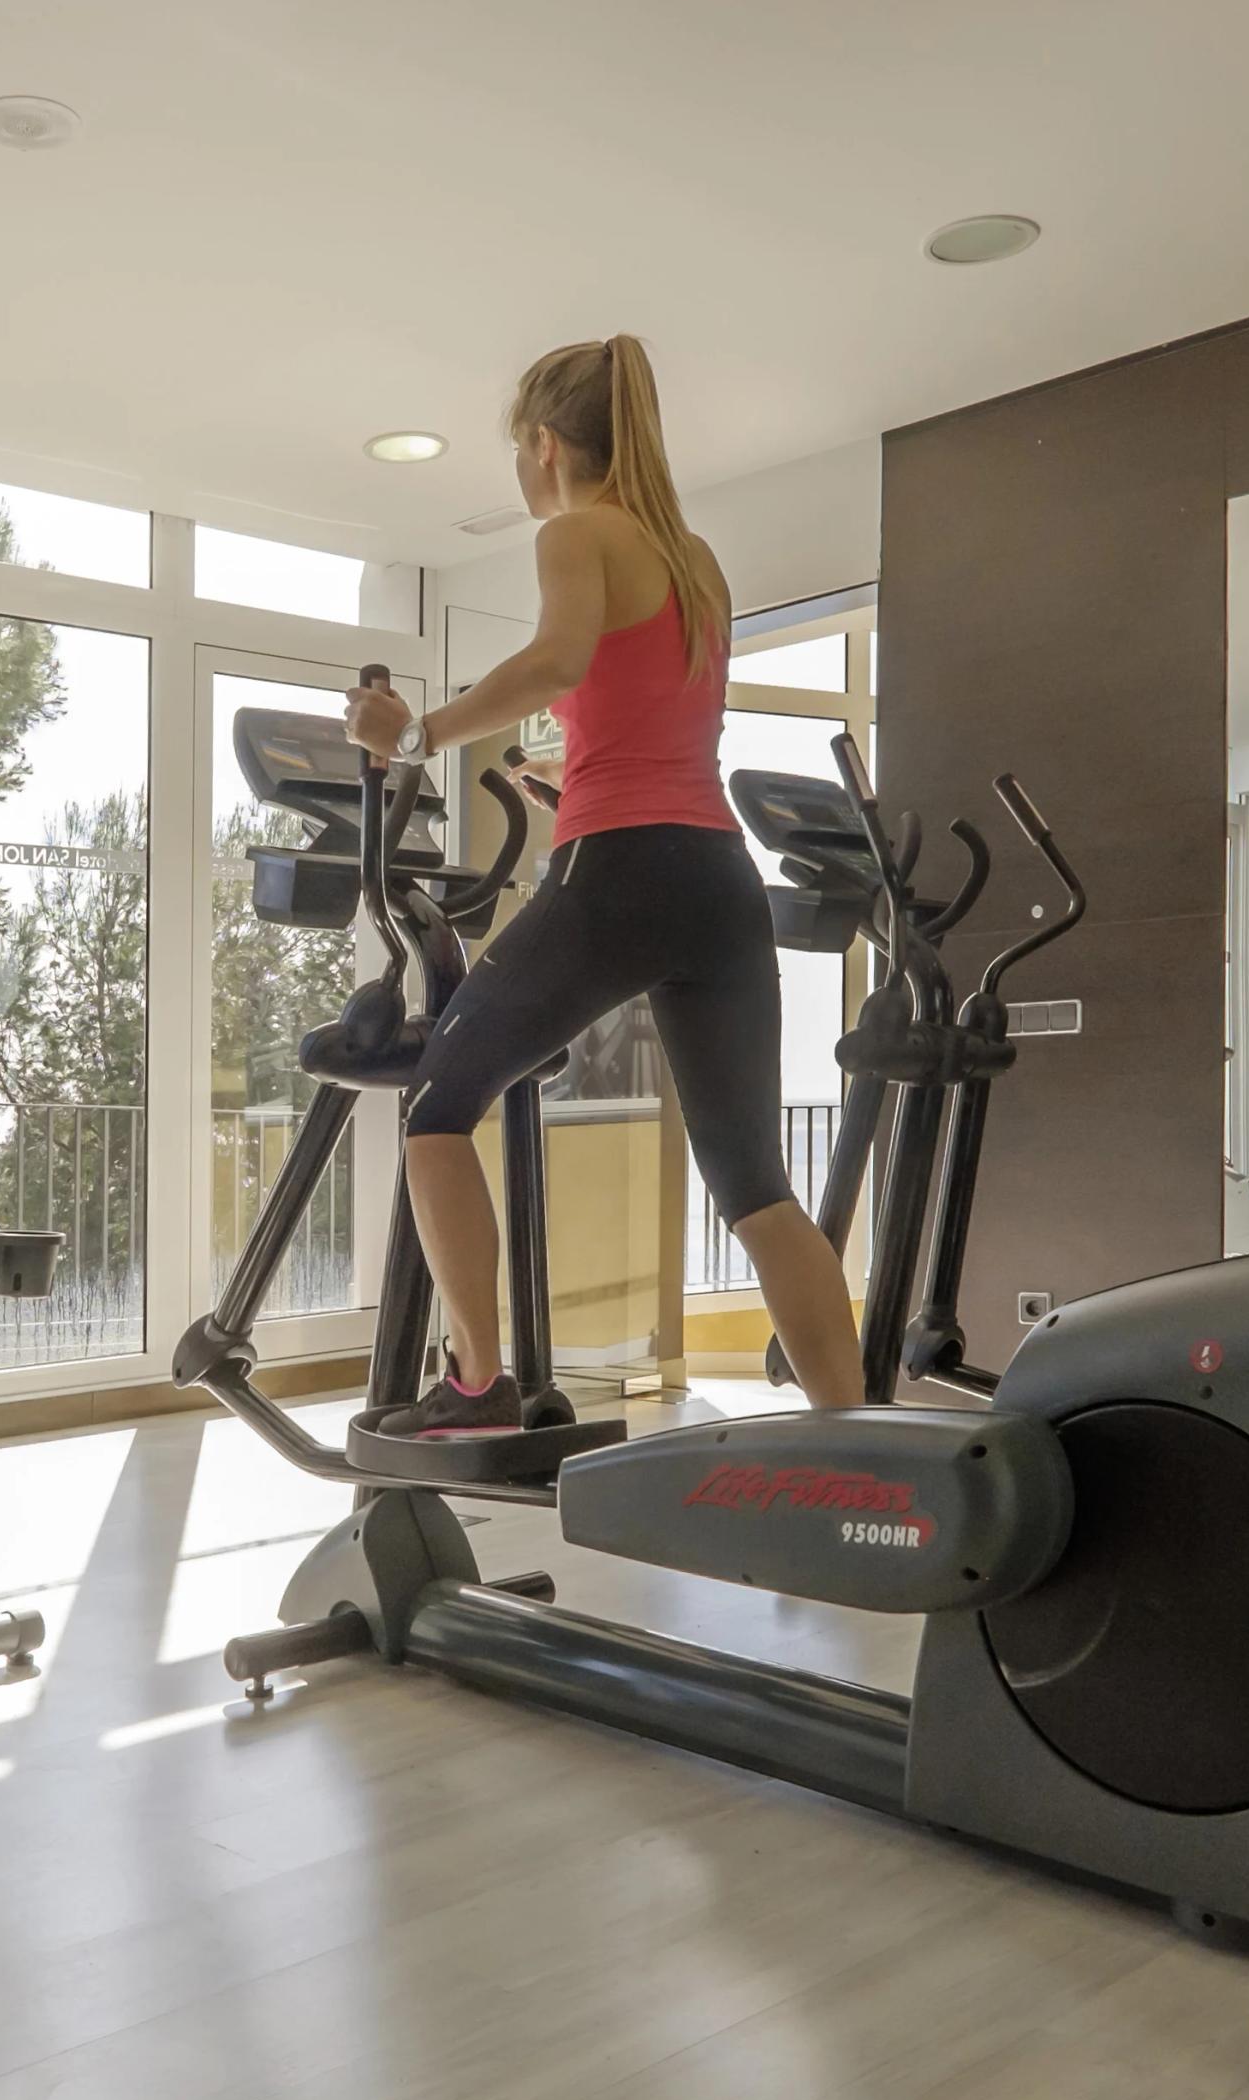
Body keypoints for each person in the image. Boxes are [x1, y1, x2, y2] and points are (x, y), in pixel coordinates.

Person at [342, 336, 869, 1435]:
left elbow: (559, 661)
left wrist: (416, 734)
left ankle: (477, 1387)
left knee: (438, 1111)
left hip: (620, 873)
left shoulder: (575, 531)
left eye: (518, 455)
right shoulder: (694, 559)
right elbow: (649, 723)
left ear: (544, 446)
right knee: (756, 1184)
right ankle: (860, 1437)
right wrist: (562, 778)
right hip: (717, 879)